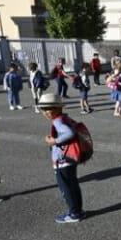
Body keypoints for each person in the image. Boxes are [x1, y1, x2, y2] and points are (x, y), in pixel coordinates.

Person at [38, 93, 85, 223]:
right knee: (73, 185)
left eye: (46, 109)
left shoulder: (58, 121)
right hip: (70, 159)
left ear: (55, 109)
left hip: (63, 161)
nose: (44, 112)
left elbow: (70, 133)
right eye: (43, 109)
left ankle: (74, 213)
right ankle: (78, 211)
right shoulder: (64, 118)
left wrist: (55, 141)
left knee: (66, 188)